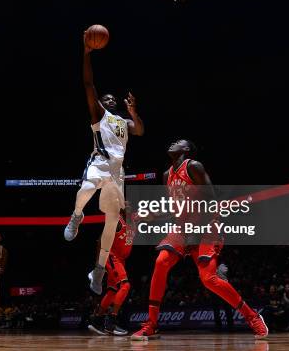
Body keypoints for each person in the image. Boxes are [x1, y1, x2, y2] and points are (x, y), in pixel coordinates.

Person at [131, 140, 268, 340]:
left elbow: (212, 199)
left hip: (204, 224)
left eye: (179, 142)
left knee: (209, 279)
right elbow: (172, 208)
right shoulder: (166, 175)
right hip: (182, 227)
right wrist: (151, 215)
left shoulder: (193, 166)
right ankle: (151, 325)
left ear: (186, 150)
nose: (172, 142)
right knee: (160, 262)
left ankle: (253, 317)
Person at [64, 31, 144, 295]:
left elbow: (140, 131)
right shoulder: (100, 114)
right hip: (99, 163)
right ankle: (77, 215)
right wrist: (86, 54)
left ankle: (98, 270)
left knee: (112, 221)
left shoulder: (123, 122)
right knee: (86, 189)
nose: (108, 100)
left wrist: (134, 112)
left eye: (112, 99)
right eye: (105, 98)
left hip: (117, 173)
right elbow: (88, 85)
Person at [88, 205, 137, 336]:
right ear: (121, 209)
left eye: (131, 205)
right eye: (126, 205)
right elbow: (100, 241)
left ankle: (96, 321)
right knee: (125, 286)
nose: (129, 207)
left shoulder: (133, 219)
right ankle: (111, 321)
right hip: (112, 256)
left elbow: (152, 215)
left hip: (121, 260)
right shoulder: (116, 222)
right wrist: (98, 266)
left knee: (111, 291)